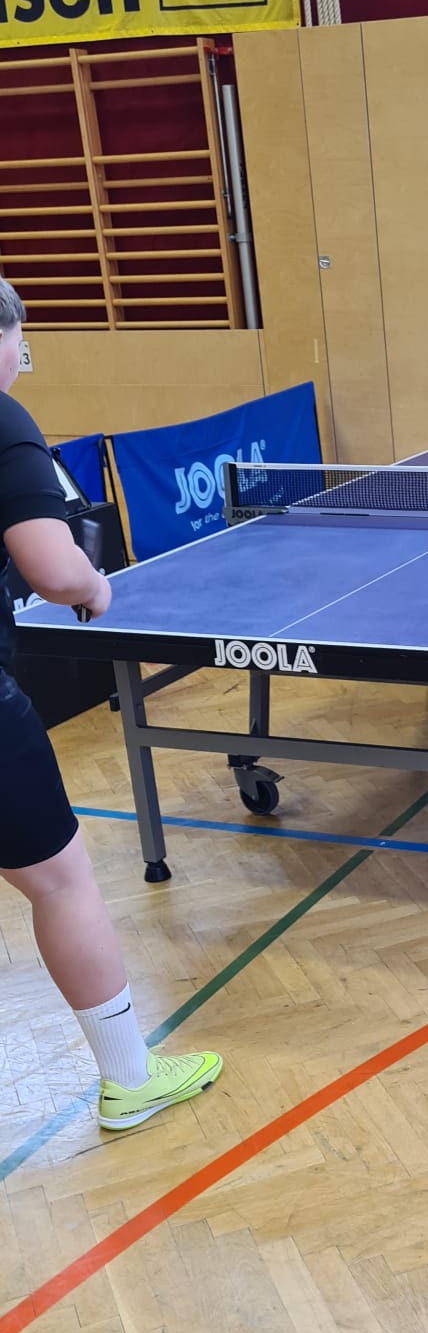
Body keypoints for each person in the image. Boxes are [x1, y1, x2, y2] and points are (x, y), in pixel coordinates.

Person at [0, 278, 221, 1134]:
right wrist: (94, 587)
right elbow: (55, 569)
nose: (22, 359)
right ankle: (130, 1078)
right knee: (61, 882)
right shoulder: (4, 420)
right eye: (22, 343)